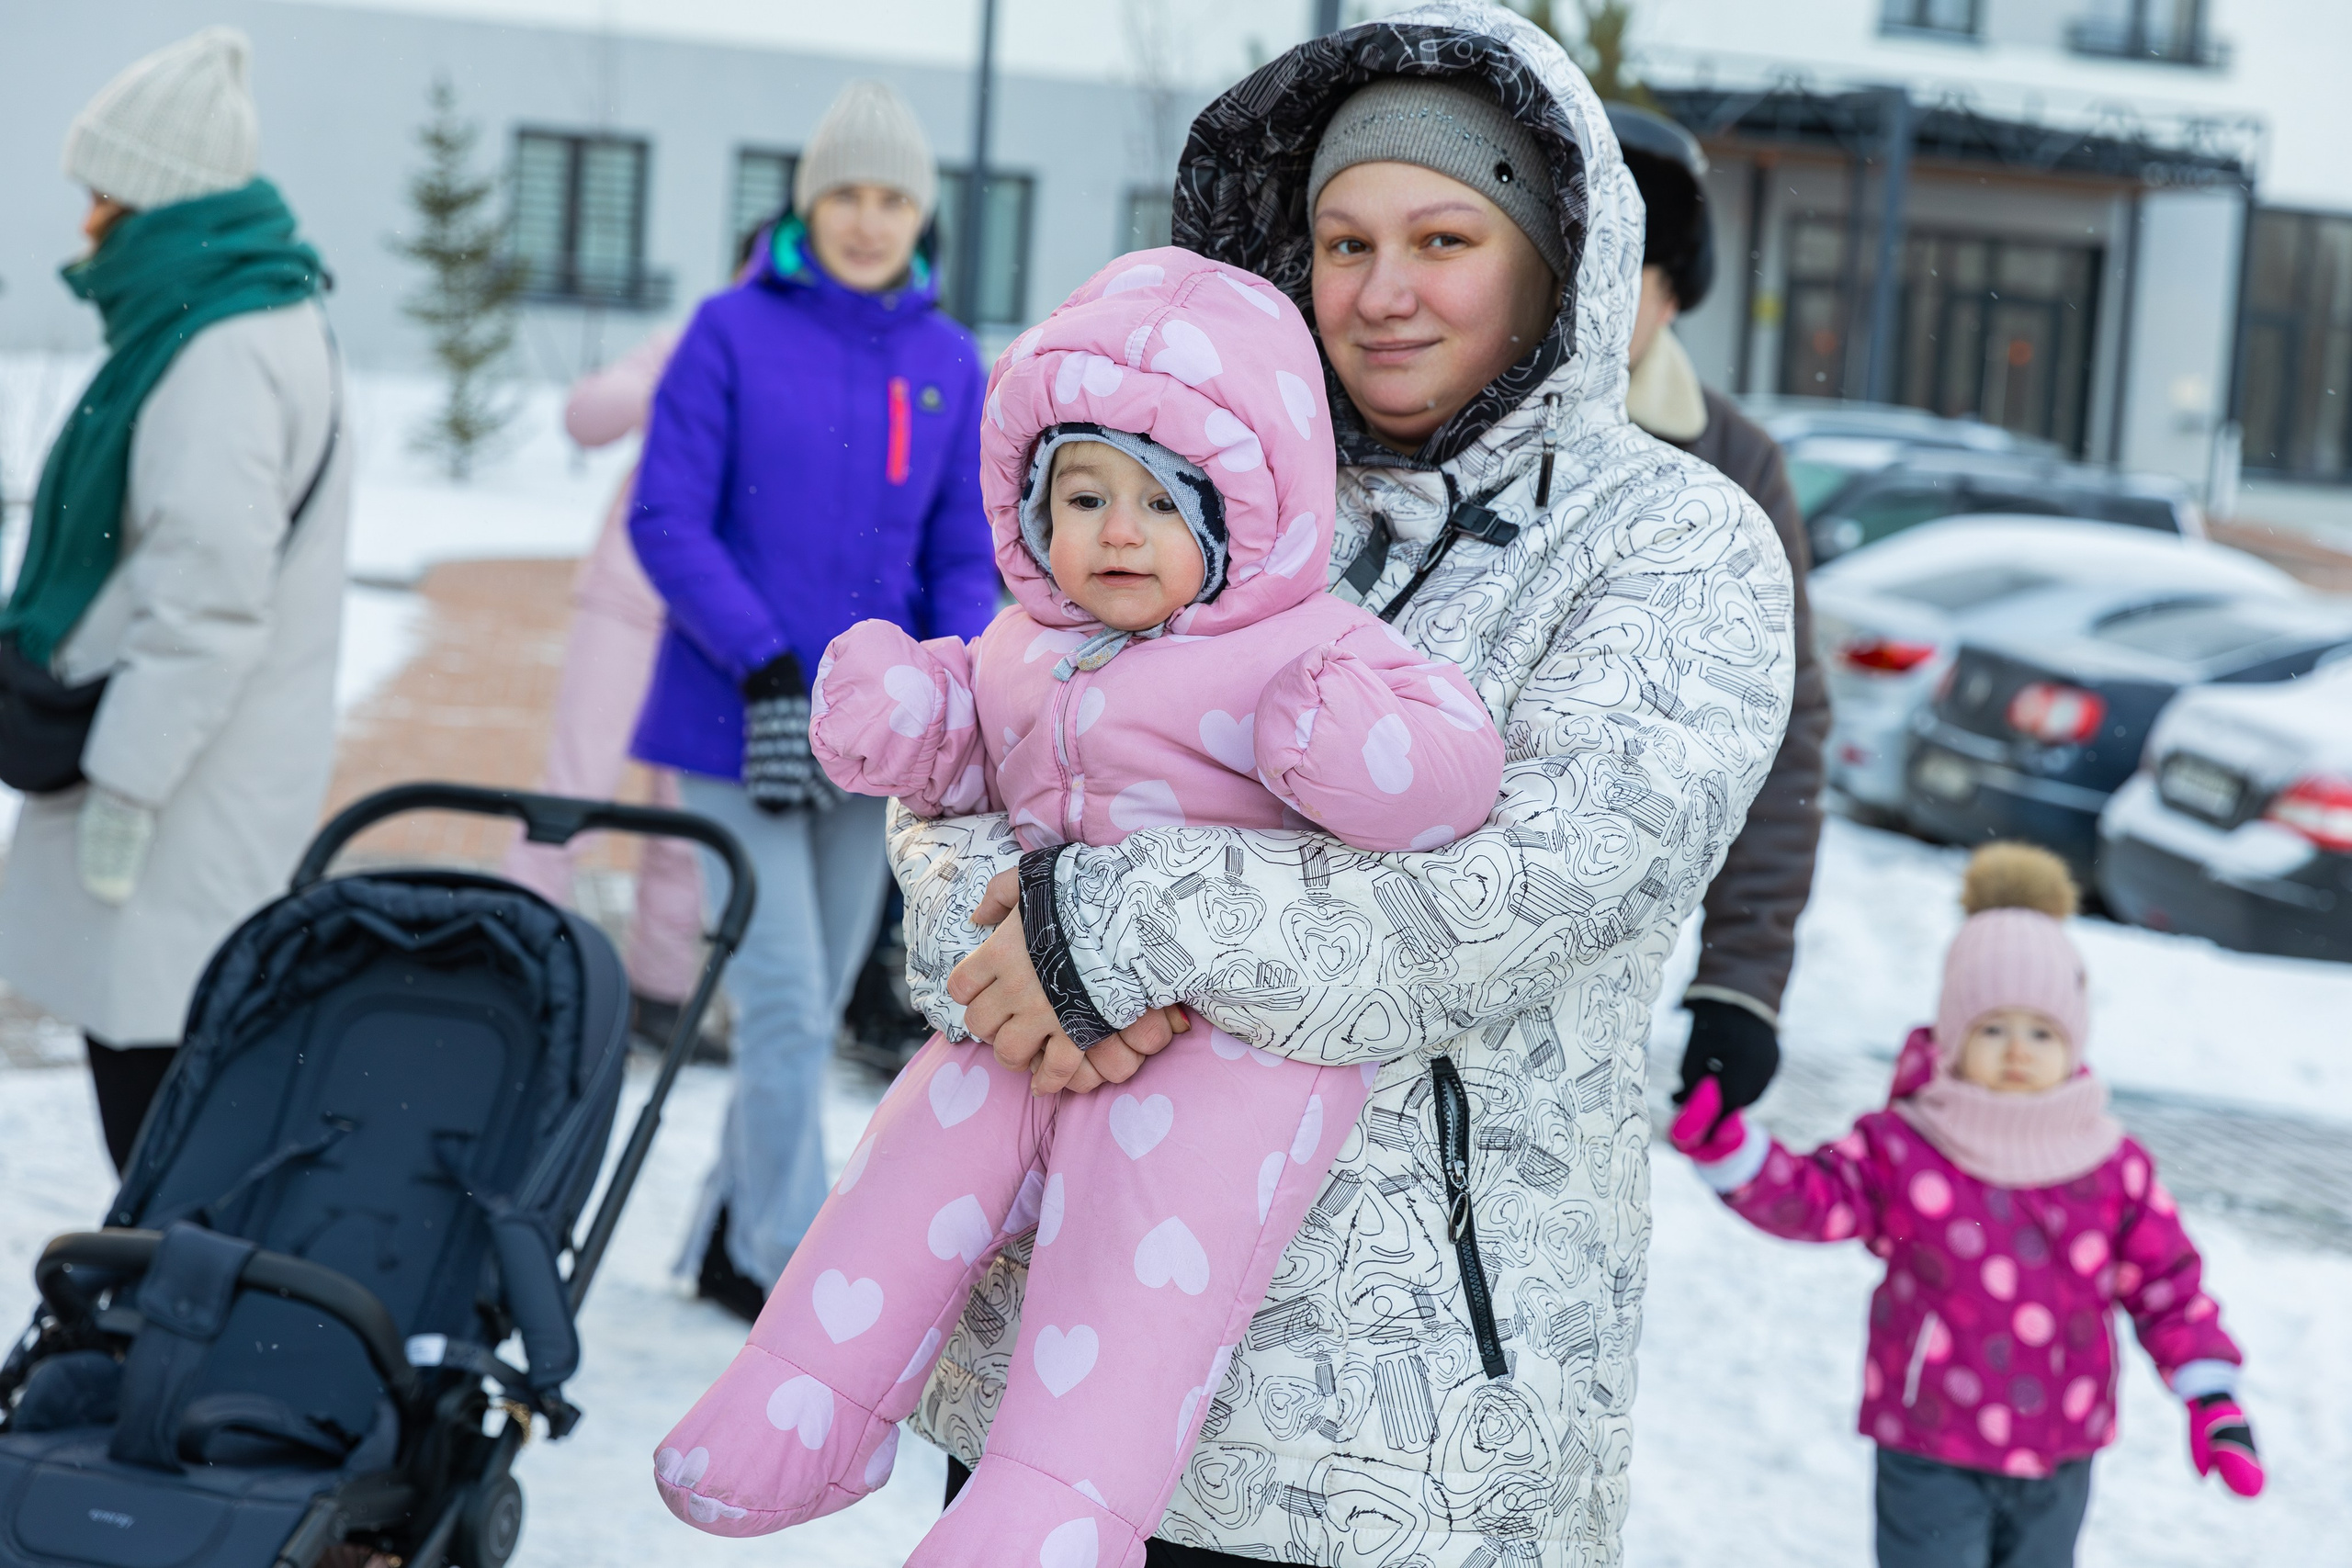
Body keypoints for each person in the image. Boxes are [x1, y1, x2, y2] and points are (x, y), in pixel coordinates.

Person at [887, 6, 1797, 1562]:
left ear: (1553, 251)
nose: (1382, 294)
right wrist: (997, 937)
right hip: (1069, 1362)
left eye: (1444, 237)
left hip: (1401, 1413)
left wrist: (1107, 929)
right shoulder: (1180, 469)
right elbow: (984, 754)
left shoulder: (1674, 544)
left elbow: (1498, 903)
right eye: (1342, 239)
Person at [652, 249, 1506, 1563]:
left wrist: (1345, 744)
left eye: (1158, 502)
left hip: (1225, 1040)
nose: (1114, 531)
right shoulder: (1028, 637)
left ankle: (1057, 1510)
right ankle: (803, 1388)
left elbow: (1453, 774)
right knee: (915, 1149)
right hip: (1027, 998)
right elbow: (972, 745)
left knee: (1136, 1268)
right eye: (1081, 493)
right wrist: (907, 712)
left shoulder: (1306, 643)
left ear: (1243, 513)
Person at [627, 78, 998, 1323]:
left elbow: (964, 547)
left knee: (813, 994)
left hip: (872, 745)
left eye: (893, 197)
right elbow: (666, 517)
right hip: (730, 720)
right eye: (846, 193)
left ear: (920, 214)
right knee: (784, 1002)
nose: (867, 219)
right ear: (807, 201)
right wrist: (765, 660)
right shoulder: (731, 331)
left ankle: (729, 1233)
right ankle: (790, 1266)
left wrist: (947, 670)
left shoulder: (950, 361)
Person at [1669, 843, 2263, 1566]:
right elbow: (1817, 1199)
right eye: (1992, 1027)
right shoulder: (1909, 1144)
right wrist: (1731, 1149)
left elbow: (2168, 1285)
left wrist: (2214, 1399)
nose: (2018, 1049)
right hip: (1932, 1445)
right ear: (1954, 1035)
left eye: (2041, 1031)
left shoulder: (2110, 1166)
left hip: (2061, 1451)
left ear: (2073, 1041)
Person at [0, 27, 347, 1174]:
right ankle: (172, 1314)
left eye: (106, 193)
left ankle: (174, 1324)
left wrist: (124, 788)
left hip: (175, 787)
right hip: (206, 765)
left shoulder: (219, 351)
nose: (90, 221)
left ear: (162, 194)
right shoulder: (242, 312)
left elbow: (209, 607)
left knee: (159, 1091)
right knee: (175, 1075)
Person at [1609, 103, 1832, 1128]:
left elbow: (1779, 729)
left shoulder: (1730, 466)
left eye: (1631, 273)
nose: (1597, 302)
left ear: (1671, 290)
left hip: (1598, 965)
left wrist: (1739, 982)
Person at [499, 328, 714, 1054]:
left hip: (717, 620)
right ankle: (514, 965)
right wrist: (669, 381)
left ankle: (659, 992)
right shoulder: (695, 338)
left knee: (685, 813)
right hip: (626, 597)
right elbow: (585, 417)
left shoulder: (815, 371)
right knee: (575, 788)